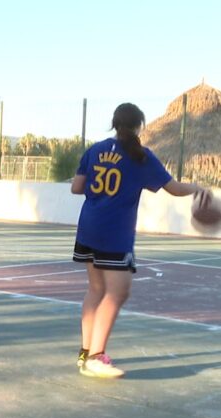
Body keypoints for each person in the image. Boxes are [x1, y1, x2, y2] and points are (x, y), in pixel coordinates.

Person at [71, 102, 209, 379]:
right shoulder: (141, 156)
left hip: (88, 227)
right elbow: (174, 188)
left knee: (96, 289)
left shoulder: (95, 150)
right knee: (118, 292)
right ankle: (97, 357)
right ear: (139, 126)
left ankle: (86, 353)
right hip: (115, 233)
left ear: (114, 123)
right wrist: (198, 188)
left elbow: (76, 188)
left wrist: (104, 187)